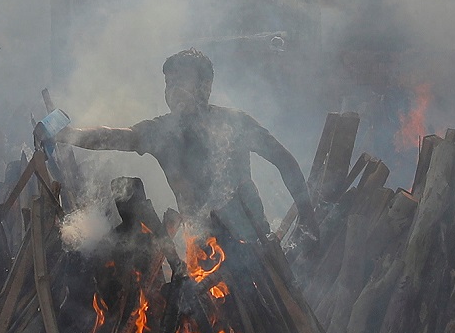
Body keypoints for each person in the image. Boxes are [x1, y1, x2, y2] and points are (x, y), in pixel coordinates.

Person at [60, 49, 312, 237]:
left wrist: (308, 219)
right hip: (204, 252)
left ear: (205, 86)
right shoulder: (163, 132)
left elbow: (283, 159)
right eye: (169, 83)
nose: (172, 89)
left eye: (180, 81)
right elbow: (115, 136)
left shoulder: (234, 123)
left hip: (253, 243)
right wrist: (69, 134)